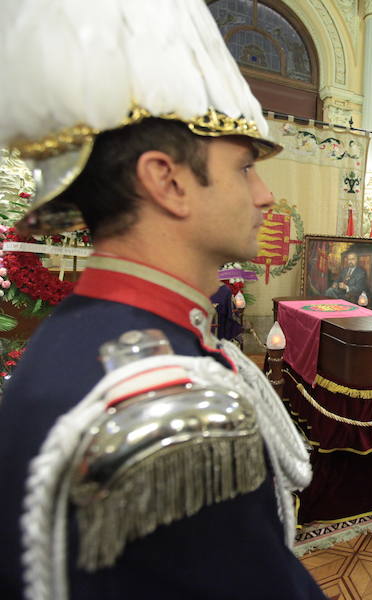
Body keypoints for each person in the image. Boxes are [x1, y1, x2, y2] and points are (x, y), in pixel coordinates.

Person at [0, 3, 326, 599]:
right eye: (246, 167)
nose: (265, 194)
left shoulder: (86, 335)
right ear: (168, 180)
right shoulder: (172, 404)